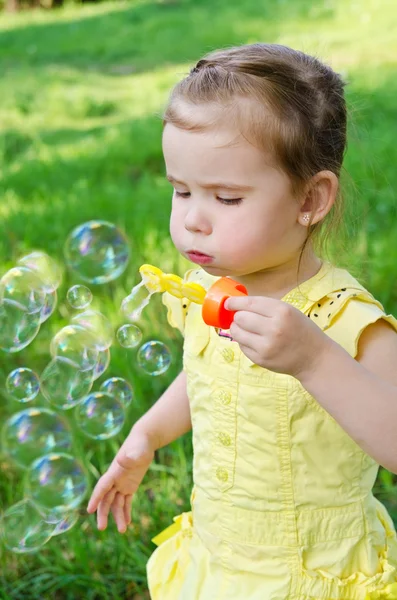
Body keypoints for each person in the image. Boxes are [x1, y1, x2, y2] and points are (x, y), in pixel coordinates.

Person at [87, 43, 397, 600]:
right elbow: (206, 374)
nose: (193, 221)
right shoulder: (208, 294)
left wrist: (314, 359)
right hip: (223, 559)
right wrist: (147, 435)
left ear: (310, 198)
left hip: (313, 572)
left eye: (226, 198)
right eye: (181, 191)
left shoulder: (346, 318)